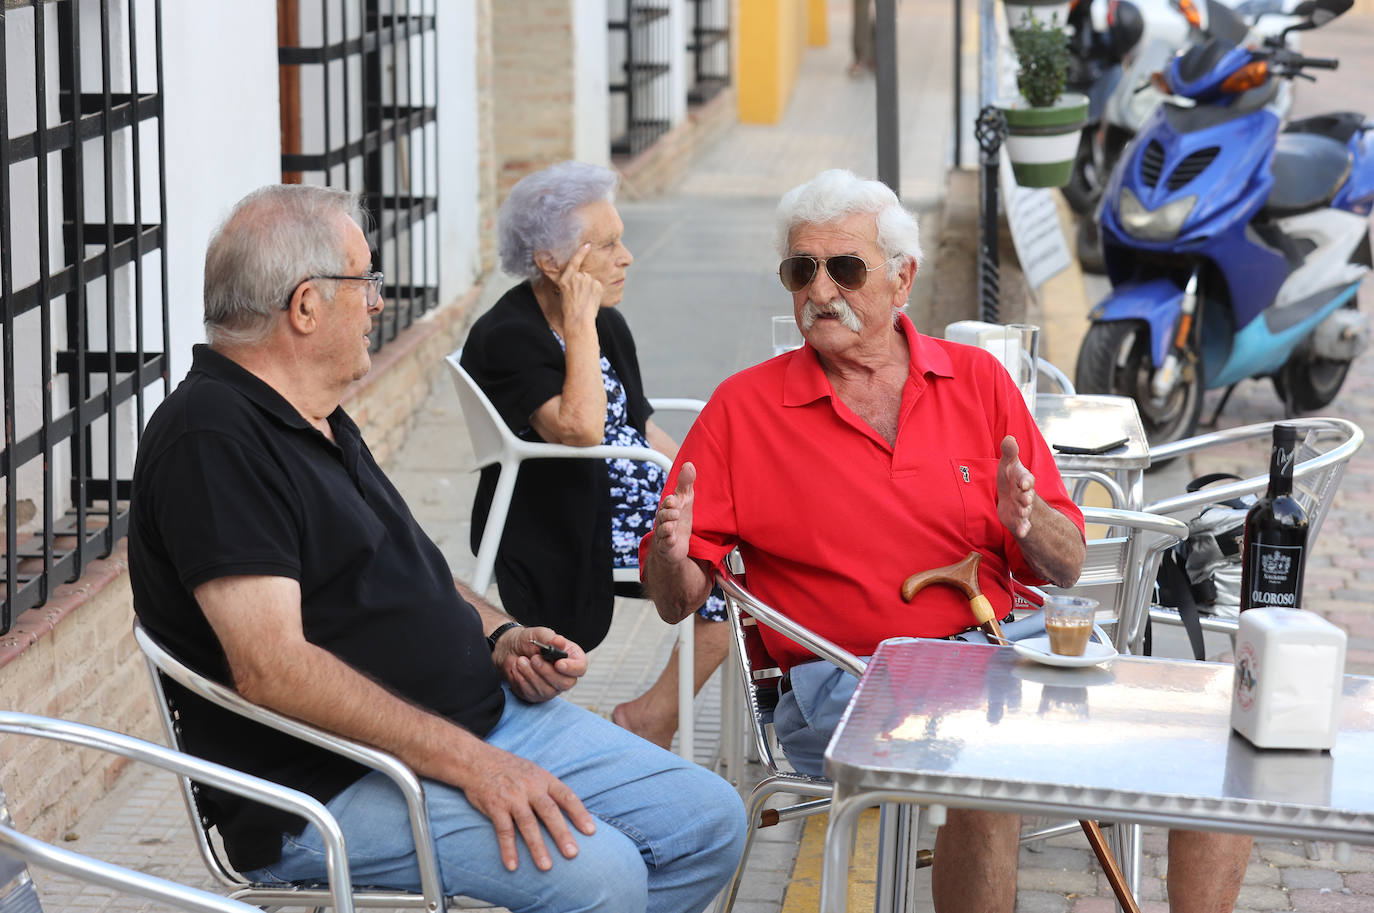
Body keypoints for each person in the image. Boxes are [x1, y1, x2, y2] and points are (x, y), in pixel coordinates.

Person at [641, 168, 1254, 913]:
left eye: (845, 267)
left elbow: (1064, 562)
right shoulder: (746, 407)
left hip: (1012, 652)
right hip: (855, 679)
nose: (819, 290)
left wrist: (1026, 520)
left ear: (903, 279)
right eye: (801, 270)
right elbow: (678, 599)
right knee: (986, 769)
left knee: (1219, 739)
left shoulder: (977, 378)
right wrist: (673, 557)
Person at [127, 183, 745, 913]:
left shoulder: (315, 416)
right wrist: (476, 764)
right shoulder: (213, 439)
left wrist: (502, 634)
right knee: (604, 877)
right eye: (365, 282)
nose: (379, 303)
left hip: (478, 716)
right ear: (305, 306)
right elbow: (272, 667)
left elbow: (416, 572)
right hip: (335, 779)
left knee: (709, 823)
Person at [460, 160, 731, 748]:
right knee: (730, 564)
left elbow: (639, 429)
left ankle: (654, 716)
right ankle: (653, 721)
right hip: (567, 515)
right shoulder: (509, 335)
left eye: (622, 240)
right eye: (605, 245)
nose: (626, 256)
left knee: (749, 536)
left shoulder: (608, 323)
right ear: (553, 263)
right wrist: (580, 321)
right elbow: (581, 431)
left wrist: (707, 477)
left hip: (636, 494)